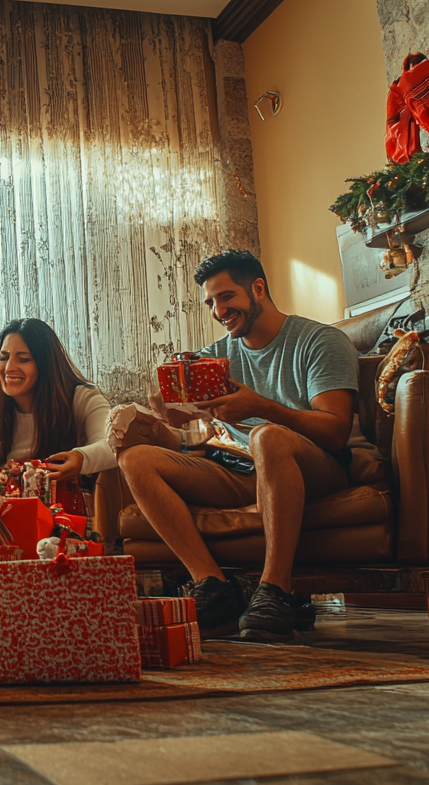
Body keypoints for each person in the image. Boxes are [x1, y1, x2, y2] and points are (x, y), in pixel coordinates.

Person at [114, 250, 371, 642]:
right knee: (136, 459)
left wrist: (261, 408)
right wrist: (164, 418)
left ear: (258, 288)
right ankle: (213, 587)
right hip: (240, 468)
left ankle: (275, 590)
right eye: (211, 302)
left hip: (314, 466)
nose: (218, 310)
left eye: (226, 297)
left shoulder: (320, 341)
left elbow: (335, 431)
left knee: (265, 435)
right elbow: (188, 429)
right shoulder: (215, 357)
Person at [0, 318, 116, 483]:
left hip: (63, 504)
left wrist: (81, 458)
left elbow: (111, 446)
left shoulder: (82, 397)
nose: (8, 368)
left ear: (46, 364)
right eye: (3, 357)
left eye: (24, 359)